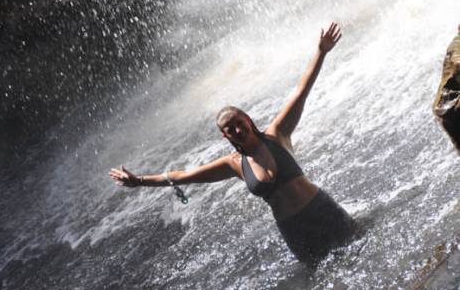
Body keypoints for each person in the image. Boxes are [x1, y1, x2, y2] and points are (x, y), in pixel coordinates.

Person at [109, 22, 359, 265]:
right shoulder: (234, 165)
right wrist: (139, 181)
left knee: (361, 253)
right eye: (230, 129)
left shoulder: (277, 134)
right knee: (324, 282)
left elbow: (301, 90)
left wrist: (320, 51)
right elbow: (185, 175)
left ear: (249, 120)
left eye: (239, 122)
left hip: (320, 210)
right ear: (225, 136)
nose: (237, 129)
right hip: (293, 228)